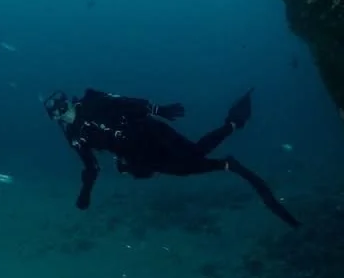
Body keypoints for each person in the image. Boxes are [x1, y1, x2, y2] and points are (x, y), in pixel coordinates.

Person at [43, 87, 299, 228]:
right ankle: (226, 163)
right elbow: (90, 166)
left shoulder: (93, 102)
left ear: (68, 101)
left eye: (64, 107)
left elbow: (125, 102)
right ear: (55, 119)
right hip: (135, 154)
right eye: (58, 114)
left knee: (194, 155)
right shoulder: (74, 136)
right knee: (181, 169)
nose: (64, 113)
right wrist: (85, 193)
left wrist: (158, 109)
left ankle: (232, 127)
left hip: (151, 132)